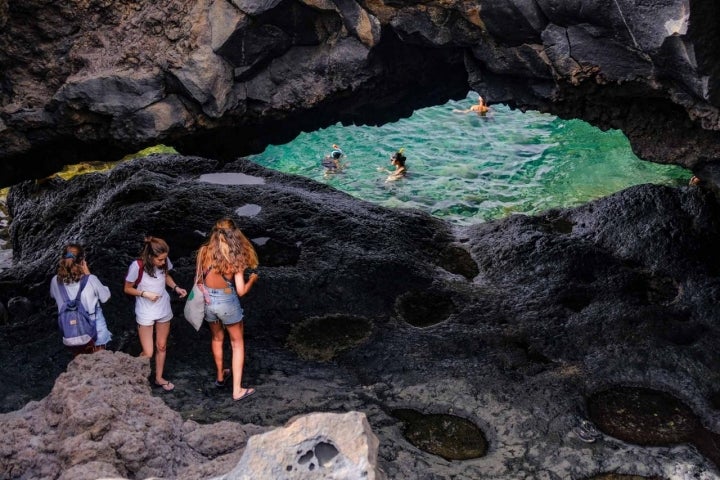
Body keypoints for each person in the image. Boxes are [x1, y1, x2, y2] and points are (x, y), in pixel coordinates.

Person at [195, 218, 259, 401]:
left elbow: (198, 280)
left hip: (208, 301)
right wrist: (252, 280)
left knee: (216, 338)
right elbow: (241, 291)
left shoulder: (203, 252)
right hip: (227, 301)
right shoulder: (236, 258)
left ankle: (220, 377)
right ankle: (237, 390)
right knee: (237, 344)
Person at [123, 236, 187, 392]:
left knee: (162, 346)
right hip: (146, 309)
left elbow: (166, 276)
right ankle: (135, 376)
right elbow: (127, 288)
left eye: (165, 259)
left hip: (163, 307)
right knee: (148, 351)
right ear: (150, 256)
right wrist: (145, 294)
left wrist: (176, 287)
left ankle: (159, 378)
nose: (163, 262)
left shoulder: (163, 260)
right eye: (160, 260)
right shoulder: (136, 266)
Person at [50, 244, 112, 356]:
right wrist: (88, 274)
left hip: (71, 333)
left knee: (81, 364)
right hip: (95, 331)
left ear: (62, 259)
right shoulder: (91, 279)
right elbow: (105, 297)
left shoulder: (55, 281)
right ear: (82, 261)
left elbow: (54, 297)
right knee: (100, 364)